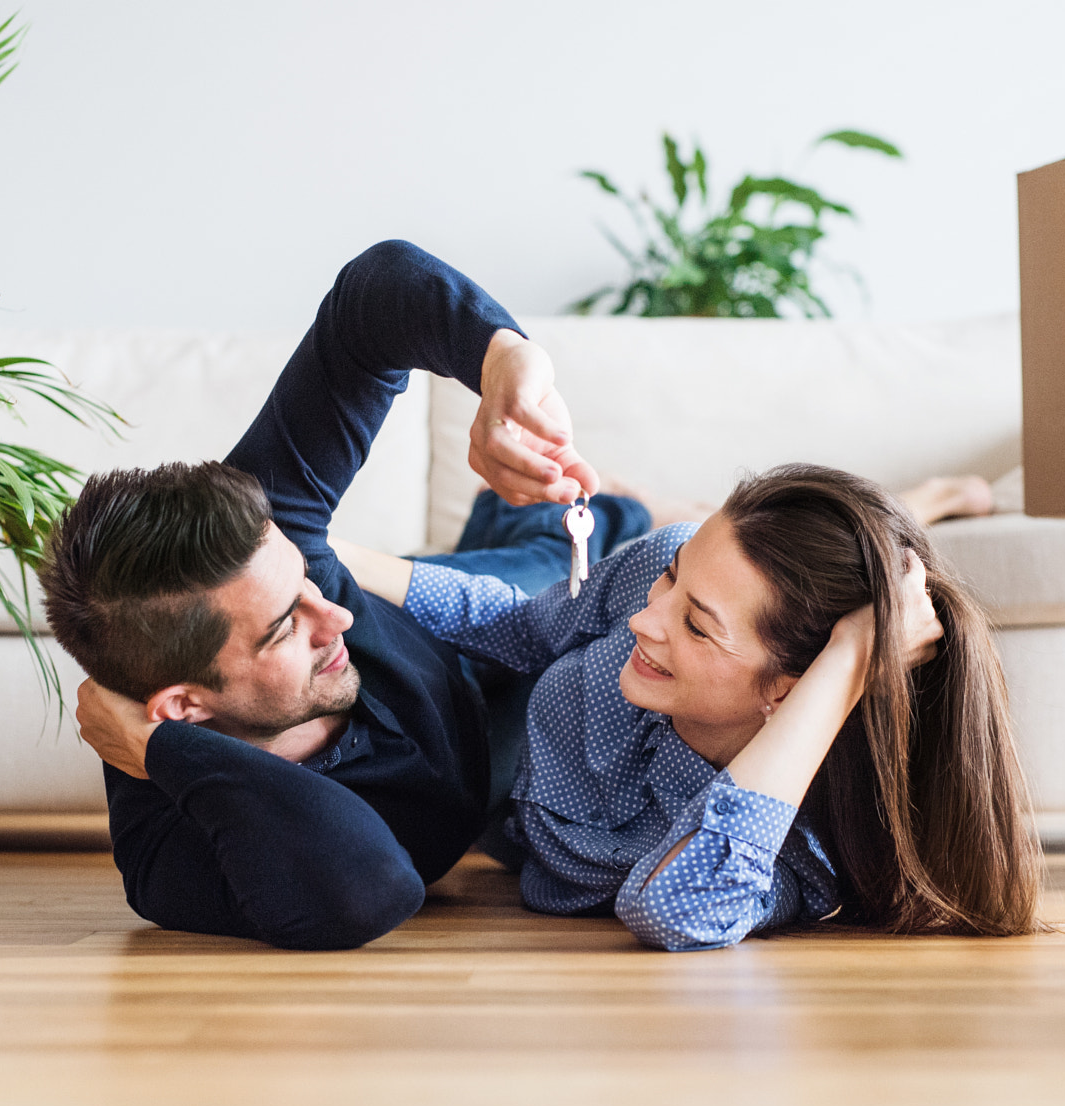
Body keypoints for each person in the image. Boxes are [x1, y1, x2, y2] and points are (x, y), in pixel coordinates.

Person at [38, 239, 646, 951]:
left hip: (458, 641)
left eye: (305, 578)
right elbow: (374, 888)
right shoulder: (170, 851)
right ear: (182, 706)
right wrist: (164, 752)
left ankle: (605, 507)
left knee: (568, 547)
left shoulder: (267, 529)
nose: (336, 614)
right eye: (281, 629)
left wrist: (502, 359)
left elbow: (374, 296)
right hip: (498, 762)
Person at [332, 465, 1042, 950]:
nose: (649, 619)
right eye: (672, 582)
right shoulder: (657, 573)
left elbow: (669, 908)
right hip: (501, 685)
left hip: (485, 800)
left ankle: (602, 508)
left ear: (791, 689)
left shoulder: (788, 848)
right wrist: (327, 552)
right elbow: (523, 627)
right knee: (535, 546)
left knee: (526, 533)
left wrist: (852, 661)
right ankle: (612, 511)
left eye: (697, 624)